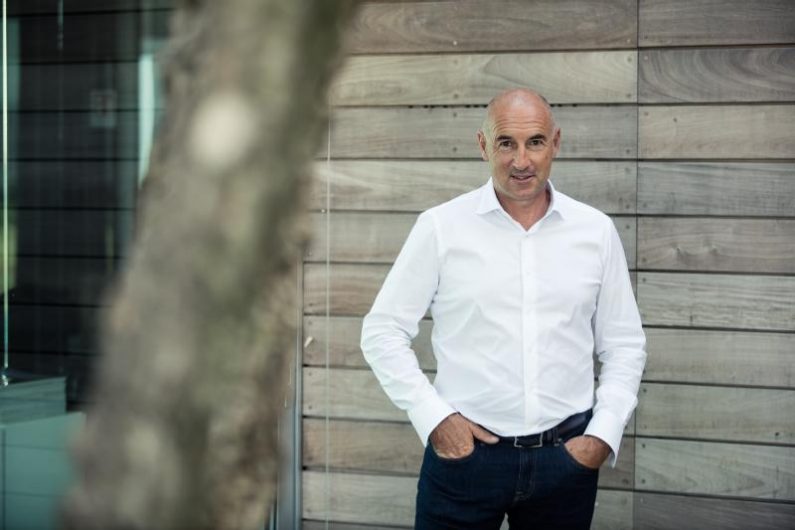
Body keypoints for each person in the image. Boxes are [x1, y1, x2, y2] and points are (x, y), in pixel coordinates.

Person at [360, 88, 646, 529]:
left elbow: (624, 343)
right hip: (464, 461)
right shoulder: (440, 228)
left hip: (565, 462)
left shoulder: (596, 232)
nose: (521, 161)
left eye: (535, 142)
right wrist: (436, 420)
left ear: (555, 143)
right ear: (483, 145)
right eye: (506, 143)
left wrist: (601, 436)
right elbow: (382, 331)